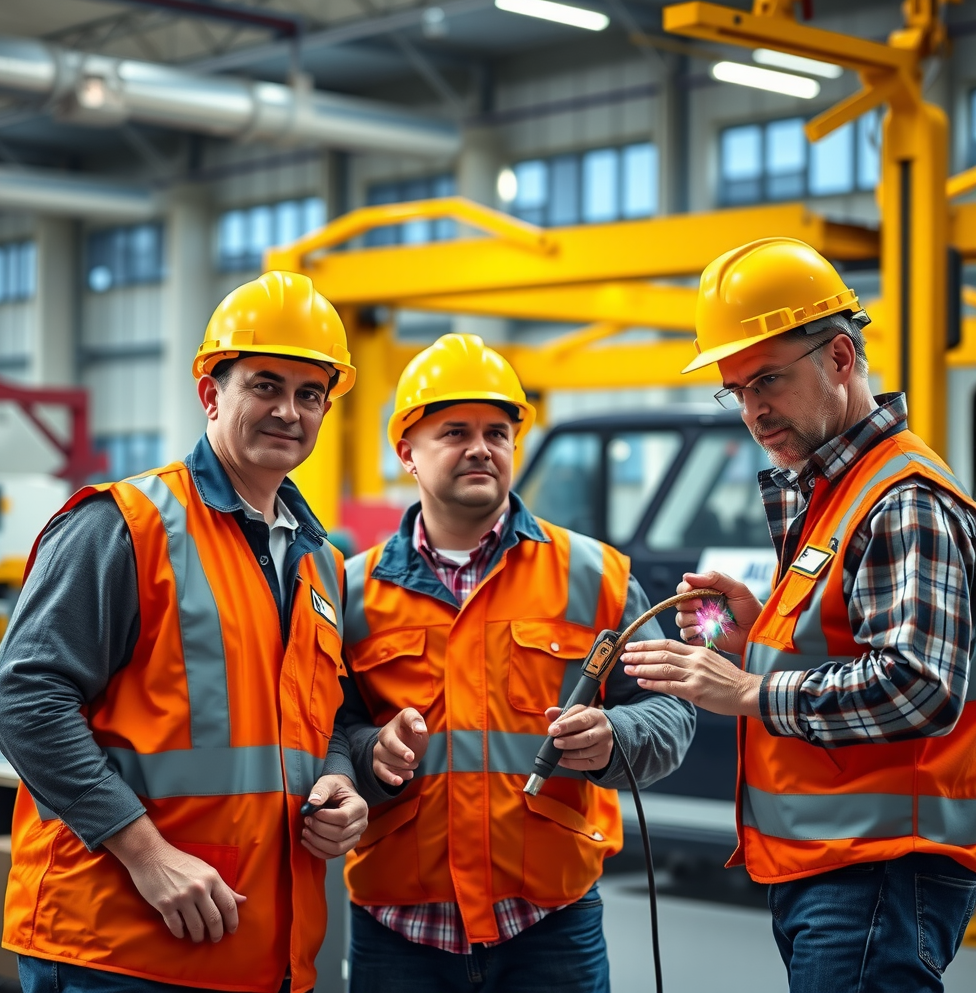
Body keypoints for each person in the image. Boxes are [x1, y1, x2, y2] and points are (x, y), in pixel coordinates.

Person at [0, 271, 369, 993]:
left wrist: (340, 783)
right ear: (210, 393)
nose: (289, 410)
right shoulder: (126, 525)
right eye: (265, 385)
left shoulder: (322, 563)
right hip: (120, 944)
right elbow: (23, 698)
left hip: (259, 951)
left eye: (310, 394)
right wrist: (146, 854)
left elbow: (328, 720)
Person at [621, 238, 976, 993]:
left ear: (841, 359)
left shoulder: (901, 498)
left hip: (879, 869)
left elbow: (920, 686)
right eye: (737, 389)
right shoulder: (831, 497)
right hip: (834, 866)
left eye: (768, 380)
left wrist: (748, 691)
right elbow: (847, 647)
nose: (753, 409)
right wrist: (757, 637)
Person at [339, 333, 695, 993]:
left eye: (497, 432)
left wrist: (619, 736)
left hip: (549, 925)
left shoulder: (596, 577)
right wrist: (370, 750)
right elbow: (325, 728)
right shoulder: (349, 592)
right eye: (455, 431)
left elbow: (671, 708)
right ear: (406, 453)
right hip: (399, 932)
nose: (481, 447)